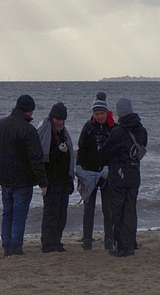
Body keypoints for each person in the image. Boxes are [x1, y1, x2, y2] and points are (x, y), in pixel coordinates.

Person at [0, 94, 48, 258]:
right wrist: (43, 182)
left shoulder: (0, 124)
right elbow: (36, 158)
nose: (32, 114)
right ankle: (16, 247)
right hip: (23, 180)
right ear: (28, 110)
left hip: (5, 179)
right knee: (19, 214)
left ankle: (7, 246)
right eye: (31, 111)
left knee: (7, 213)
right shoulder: (28, 130)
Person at [98, 97, 148, 257]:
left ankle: (122, 247)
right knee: (130, 210)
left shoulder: (118, 132)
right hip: (134, 174)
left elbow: (104, 153)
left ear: (119, 113)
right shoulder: (141, 131)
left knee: (118, 211)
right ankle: (131, 243)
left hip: (118, 176)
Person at [76, 92, 115, 250]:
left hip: (106, 175)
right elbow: (81, 149)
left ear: (107, 113)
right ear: (93, 114)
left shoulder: (113, 128)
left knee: (108, 209)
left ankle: (109, 241)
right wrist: (79, 169)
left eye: (102, 113)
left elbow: (117, 151)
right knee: (88, 209)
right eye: (96, 114)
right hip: (89, 174)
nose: (99, 116)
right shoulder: (88, 127)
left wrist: (110, 168)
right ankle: (87, 242)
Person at [38, 102, 75, 253]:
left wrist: (70, 179)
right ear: (51, 117)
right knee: (50, 213)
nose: (60, 122)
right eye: (57, 119)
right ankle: (48, 244)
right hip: (50, 179)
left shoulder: (64, 133)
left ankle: (57, 242)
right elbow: (41, 157)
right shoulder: (44, 131)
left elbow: (70, 158)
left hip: (64, 179)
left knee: (61, 213)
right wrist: (58, 151)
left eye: (62, 119)